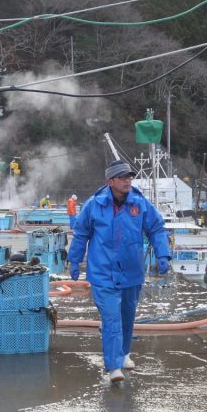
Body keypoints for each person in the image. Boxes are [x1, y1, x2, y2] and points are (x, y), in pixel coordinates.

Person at [67, 159, 171, 384]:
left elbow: (156, 228)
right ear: (110, 181)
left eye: (129, 177)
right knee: (111, 317)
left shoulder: (140, 204)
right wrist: (74, 260)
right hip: (103, 272)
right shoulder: (93, 205)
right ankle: (114, 367)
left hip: (132, 272)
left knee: (127, 315)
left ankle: (124, 354)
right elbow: (81, 234)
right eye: (122, 177)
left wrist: (163, 254)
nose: (127, 181)